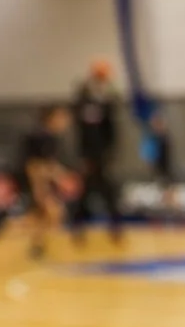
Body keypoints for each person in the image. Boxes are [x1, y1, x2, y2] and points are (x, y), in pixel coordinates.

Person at [72, 60, 124, 245]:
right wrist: (84, 157)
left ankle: (115, 228)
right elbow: (82, 131)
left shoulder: (108, 100)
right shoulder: (84, 100)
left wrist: (110, 154)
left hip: (103, 156)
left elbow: (112, 130)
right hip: (89, 156)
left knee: (109, 192)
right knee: (85, 194)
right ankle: (78, 228)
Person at [20, 104, 76, 261]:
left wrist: (60, 175)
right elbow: (34, 166)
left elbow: (50, 165)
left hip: (42, 183)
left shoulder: (53, 138)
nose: (66, 121)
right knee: (50, 213)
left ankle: (38, 247)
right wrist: (43, 186)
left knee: (46, 216)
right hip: (34, 183)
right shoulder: (41, 137)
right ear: (52, 118)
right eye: (62, 117)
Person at [141, 112, 178, 220]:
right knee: (163, 189)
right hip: (159, 168)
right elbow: (148, 154)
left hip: (166, 168)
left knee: (169, 188)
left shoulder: (165, 137)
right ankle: (165, 210)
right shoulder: (152, 138)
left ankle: (171, 210)